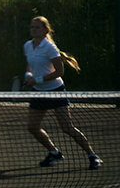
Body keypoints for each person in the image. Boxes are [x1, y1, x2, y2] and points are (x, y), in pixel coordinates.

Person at [23, 15, 102, 170]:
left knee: (67, 127)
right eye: (32, 27)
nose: (33, 30)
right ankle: (54, 152)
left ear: (45, 30)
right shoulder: (27, 45)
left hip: (56, 91)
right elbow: (30, 65)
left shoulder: (50, 48)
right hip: (39, 93)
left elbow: (59, 72)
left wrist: (37, 80)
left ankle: (92, 155)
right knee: (32, 127)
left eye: (37, 27)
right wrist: (28, 75)